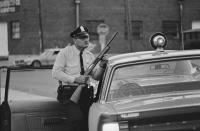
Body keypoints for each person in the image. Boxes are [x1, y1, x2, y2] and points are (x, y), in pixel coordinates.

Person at [52, 25, 105, 131]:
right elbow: (55, 73)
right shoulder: (65, 53)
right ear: (75, 39)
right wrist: (76, 79)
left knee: (88, 121)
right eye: (82, 37)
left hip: (86, 94)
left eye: (87, 37)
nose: (86, 40)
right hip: (69, 94)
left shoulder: (89, 55)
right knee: (76, 119)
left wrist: (102, 66)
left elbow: (96, 77)